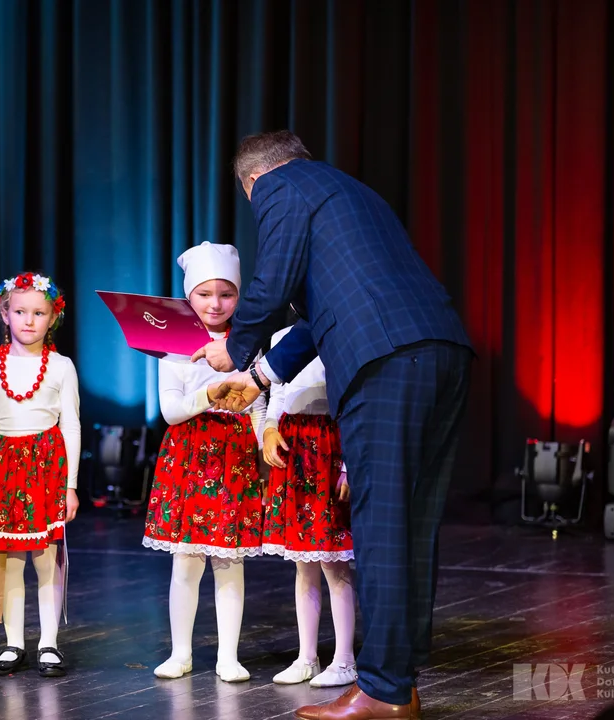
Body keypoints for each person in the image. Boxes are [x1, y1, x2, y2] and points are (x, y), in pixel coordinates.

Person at [192, 131, 473, 719]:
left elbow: (272, 284)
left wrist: (235, 350)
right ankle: (399, 680)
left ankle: (383, 692)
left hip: (387, 360)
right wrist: (262, 376)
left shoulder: (279, 186)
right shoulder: (352, 193)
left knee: (382, 524)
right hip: (440, 347)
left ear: (251, 182)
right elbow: (330, 313)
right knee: (411, 521)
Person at [142, 242, 265, 684]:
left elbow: (258, 403)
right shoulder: (172, 341)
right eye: (205, 293)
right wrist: (208, 395)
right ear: (188, 296)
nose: (215, 304)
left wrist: (262, 447)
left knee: (229, 560)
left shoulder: (250, 341)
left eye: (226, 294)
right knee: (186, 560)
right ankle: (181, 652)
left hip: (234, 458)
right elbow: (170, 411)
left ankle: (228, 656)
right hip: (189, 457)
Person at [0, 272, 80, 678]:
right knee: (11, 559)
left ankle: (48, 642)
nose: (29, 320)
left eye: (39, 312)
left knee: (46, 559)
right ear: (4, 313)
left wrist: (70, 486)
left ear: (53, 317)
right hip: (3, 470)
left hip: (47, 468)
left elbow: (71, 425)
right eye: (20, 311)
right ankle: (14, 641)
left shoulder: (61, 367)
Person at [261, 325, 357, 689]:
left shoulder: (341, 329)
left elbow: (352, 397)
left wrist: (348, 463)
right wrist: (270, 428)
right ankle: (307, 657)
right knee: (304, 564)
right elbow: (278, 391)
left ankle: (345, 660)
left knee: (335, 562)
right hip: (295, 444)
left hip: (329, 444)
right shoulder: (282, 336)